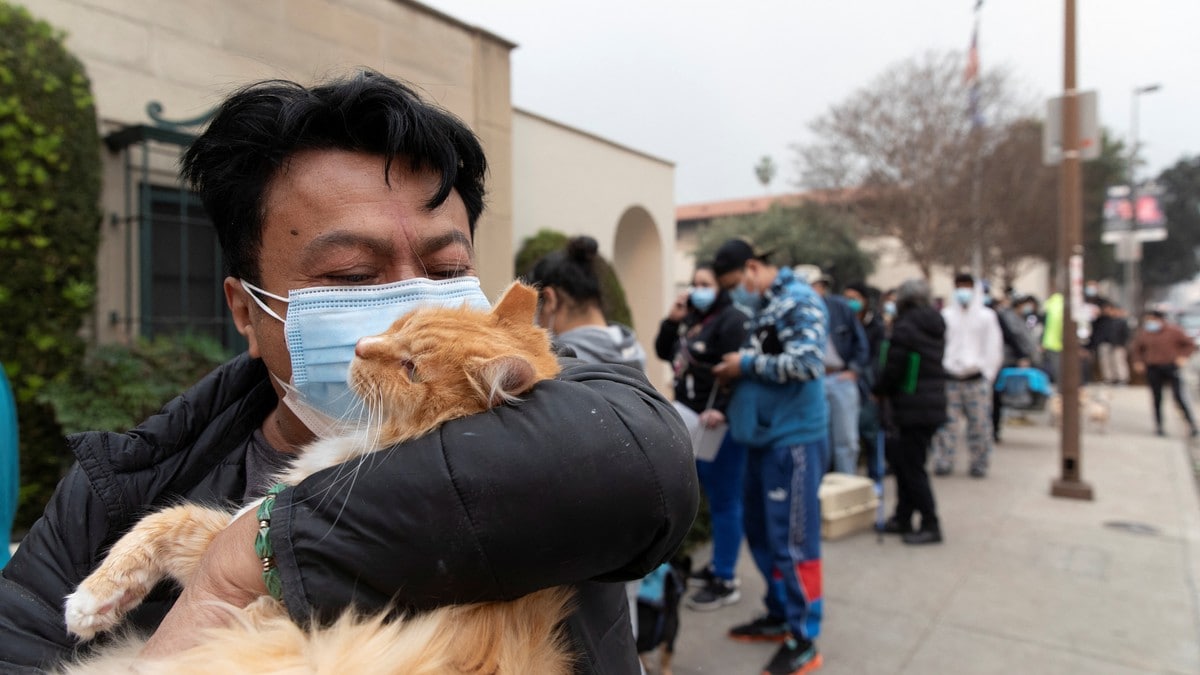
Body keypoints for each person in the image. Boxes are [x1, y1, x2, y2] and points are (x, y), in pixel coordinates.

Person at [0, 72, 697, 674]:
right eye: (352, 275)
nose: (412, 305)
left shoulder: (538, 396)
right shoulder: (111, 493)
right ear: (246, 312)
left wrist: (253, 549)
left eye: (450, 270)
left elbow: (642, 462)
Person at [711, 239, 827, 675]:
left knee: (795, 541)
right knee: (763, 535)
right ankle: (781, 613)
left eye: (735, 283)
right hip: (762, 439)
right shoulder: (767, 306)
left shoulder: (800, 302)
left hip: (791, 441)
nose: (734, 292)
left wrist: (745, 365)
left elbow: (808, 362)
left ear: (754, 269)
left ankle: (805, 636)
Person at [654, 263, 748, 611]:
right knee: (700, 495)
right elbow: (666, 352)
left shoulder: (732, 320)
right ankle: (714, 567)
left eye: (705, 283)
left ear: (720, 288)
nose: (698, 290)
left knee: (725, 501)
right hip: (690, 418)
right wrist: (672, 319)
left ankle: (726, 578)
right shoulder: (693, 319)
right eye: (694, 284)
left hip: (717, 424)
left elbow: (738, 370)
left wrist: (723, 407)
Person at [874, 279, 947, 545]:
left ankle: (930, 522)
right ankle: (903, 516)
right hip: (928, 404)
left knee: (912, 467)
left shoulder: (906, 327)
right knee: (906, 464)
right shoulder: (933, 322)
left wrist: (878, 389)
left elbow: (894, 367)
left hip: (911, 405)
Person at [527, 235, 646, 371]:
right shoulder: (635, 351)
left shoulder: (559, 363)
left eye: (535, 310)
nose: (536, 321)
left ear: (550, 300)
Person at [931, 273, 1003, 478]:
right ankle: (943, 460)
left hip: (976, 379)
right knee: (947, 425)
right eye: (959, 286)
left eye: (967, 287)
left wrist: (987, 376)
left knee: (979, 424)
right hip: (950, 378)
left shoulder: (986, 317)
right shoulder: (946, 316)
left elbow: (993, 348)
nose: (963, 291)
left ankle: (979, 462)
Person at [811, 274, 869, 475]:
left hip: (840, 378)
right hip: (814, 380)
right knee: (817, 440)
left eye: (816, 286)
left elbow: (861, 343)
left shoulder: (839, 308)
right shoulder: (797, 311)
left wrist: (854, 370)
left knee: (846, 441)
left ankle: (847, 488)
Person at [1130, 309, 1199, 437]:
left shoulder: (1174, 331)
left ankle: (1191, 425)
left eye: (1152, 320)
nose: (1150, 323)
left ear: (1160, 320)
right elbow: (1137, 349)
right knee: (1157, 398)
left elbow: (1190, 345)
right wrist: (1138, 361)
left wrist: (1182, 357)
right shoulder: (1145, 333)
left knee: (1178, 397)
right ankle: (1159, 426)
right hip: (1153, 368)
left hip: (1170, 366)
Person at [990, 290, 1037, 443]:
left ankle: (996, 427)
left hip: (1008, 359)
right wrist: (1022, 355)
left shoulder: (1020, 318)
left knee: (1000, 394)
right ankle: (994, 429)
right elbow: (1013, 337)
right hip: (1004, 359)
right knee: (997, 394)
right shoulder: (1008, 317)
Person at [1090, 302, 1132, 385]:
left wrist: (1122, 344)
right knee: (1105, 362)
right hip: (1104, 343)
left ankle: (1122, 379)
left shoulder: (1121, 321)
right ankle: (1109, 378)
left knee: (1119, 361)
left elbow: (1126, 334)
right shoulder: (1103, 320)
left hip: (1118, 344)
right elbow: (1096, 330)